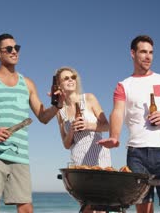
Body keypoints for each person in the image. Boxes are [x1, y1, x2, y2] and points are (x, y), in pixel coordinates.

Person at [0, 33, 63, 213]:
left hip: (20, 157)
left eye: (16, 48)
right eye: (9, 49)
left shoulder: (27, 84)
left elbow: (43, 117)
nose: (14, 52)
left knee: (26, 208)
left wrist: (57, 105)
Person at [99, 35, 160, 213]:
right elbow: (118, 112)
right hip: (136, 154)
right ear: (133, 53)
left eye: (151, 52)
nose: (148, 56)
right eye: (143, 52)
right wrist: (114, 137)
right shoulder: (124, 85)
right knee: (143, 209)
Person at [55, 67, 111, 213]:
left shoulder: (89, 98)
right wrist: (72, 130)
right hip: (79, 163)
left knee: (100, 205)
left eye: (72, 77)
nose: (70, 80)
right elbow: (66, 144)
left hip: (99, 158)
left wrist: (88, 125)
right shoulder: (59, 111)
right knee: (87, 205)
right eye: (65, 78)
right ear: (58, 84)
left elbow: (107, 126)